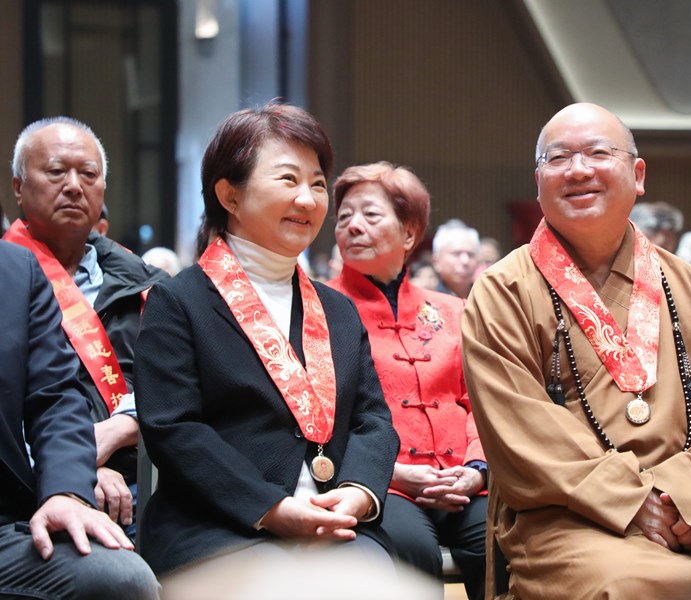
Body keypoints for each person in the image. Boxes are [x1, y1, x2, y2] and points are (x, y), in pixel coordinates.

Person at [461, 103, 691, 599]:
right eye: (559, 158)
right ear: (539, 183)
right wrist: (631, 499)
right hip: (571, 521)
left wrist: (682, 501)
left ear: (638, 175)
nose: (579, 170)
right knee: (630, 587)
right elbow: (521, 429)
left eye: (598, 153)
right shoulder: (503, 291)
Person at [133, 102, 399, 588]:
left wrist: (358, 493)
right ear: (229, 196)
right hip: (217, 526)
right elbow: (174, 428)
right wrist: (271, 507)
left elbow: (373, 419)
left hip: (334, 520)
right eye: (288, 179)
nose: (307, 199)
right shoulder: (178, 302)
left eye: (317, 184)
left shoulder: (338, 310)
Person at [328, 161, 488, 600]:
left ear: (409, 234)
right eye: (344, 217)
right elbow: (323, 417)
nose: (353, 226)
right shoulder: (321, 309)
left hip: (461, 479)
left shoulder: (452, 310)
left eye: (370, 215)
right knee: (411, 549)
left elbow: (481, 402)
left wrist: (476, 471)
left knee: (502, 539)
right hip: (380, 482)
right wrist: (392, 473)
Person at [3, 116, 168, 541]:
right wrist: (74, 473)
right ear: (18, 186)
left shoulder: (149, 285)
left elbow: (177, 385)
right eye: (57, 171)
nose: (74, 186)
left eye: (89, 174)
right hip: (27, 487)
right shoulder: (7, 281)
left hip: (140, 477)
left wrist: (120, 429)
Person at [0, 239, 158, 600]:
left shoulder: (17, 270)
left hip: (8, 524)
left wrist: (67, 489)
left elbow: (54, 398)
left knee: (123, 577)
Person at [432, 218, 479, 297]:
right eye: (456, 254)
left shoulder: (485, 296)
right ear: (436, 261)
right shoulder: (426, 300)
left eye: (470, 255)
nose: (465, 261)